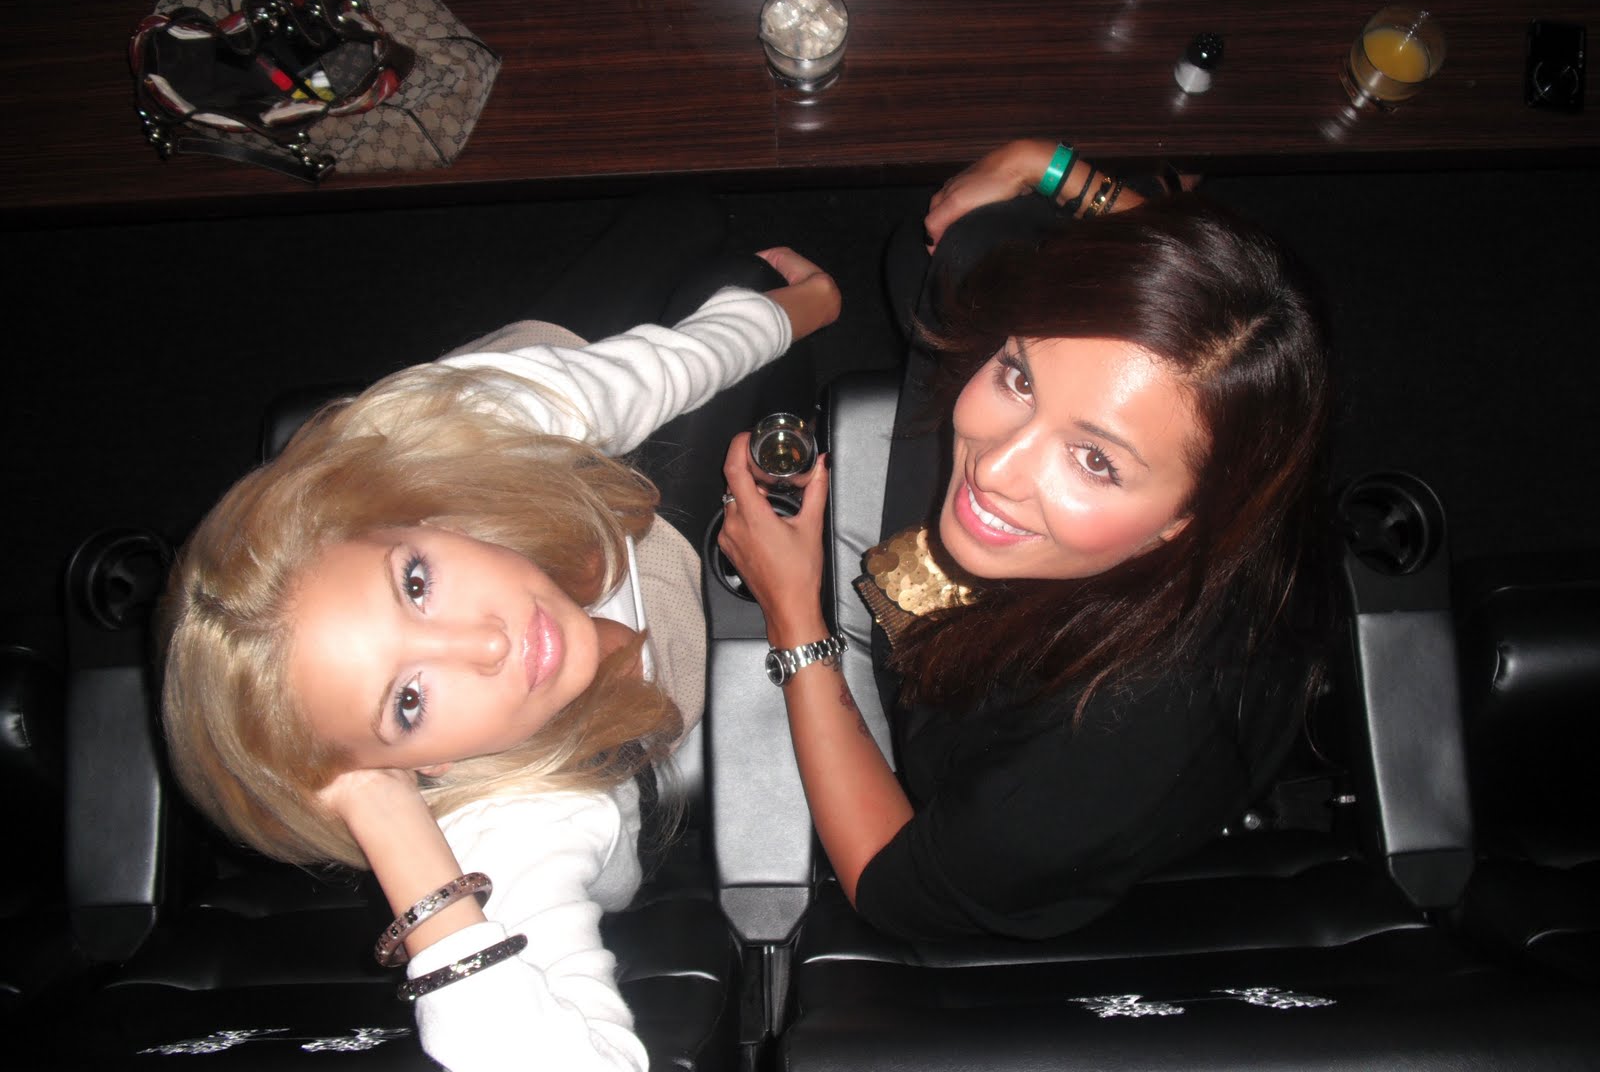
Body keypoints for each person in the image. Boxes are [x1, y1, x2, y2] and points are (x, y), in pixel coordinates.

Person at [158, 200, 841, 1072]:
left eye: (416, 582)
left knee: (690, 237)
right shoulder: (514, 821)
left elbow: (667, 368)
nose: (485, 646)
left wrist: (807, 307)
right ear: (420, 768)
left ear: (409, 519)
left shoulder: (478, 424)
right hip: (661, 591)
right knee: (737, 294)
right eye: (408, 703)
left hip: (512, 472)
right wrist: (395, 830)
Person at [716, 139, 1332, 942]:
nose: (991, 467)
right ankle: (1157, 197)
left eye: (1096, 460)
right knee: (963, 241)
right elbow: (1223, 317)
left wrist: (795, 615)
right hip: (1060, 574)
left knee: (945, 262)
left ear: (1188, 518)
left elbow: (893, 889)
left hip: (997, 700)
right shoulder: (1255, 417)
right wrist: (1047, 166)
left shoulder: (1098, 753)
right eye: (1018, 376)